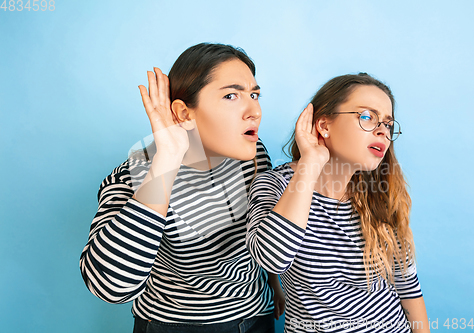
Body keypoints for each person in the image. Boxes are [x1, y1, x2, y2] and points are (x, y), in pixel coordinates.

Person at [80, 43, 284, 333]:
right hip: (175, 325)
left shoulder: (253, 155)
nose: (254, 110)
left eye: (254, 94)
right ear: (185, 113)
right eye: (231, 95)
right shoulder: (134, 175)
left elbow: (264, 226)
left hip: (255, 317)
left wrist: (274, 283)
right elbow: (109, 287)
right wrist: (167, 160)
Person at [246, 73, 430, 332]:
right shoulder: (275, 185)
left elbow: (407, 287)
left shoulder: (382, 192)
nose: (382, 131)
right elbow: (272, 260)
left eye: (388, 124)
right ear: (324, 125)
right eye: (367, 116)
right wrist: (310, 162)